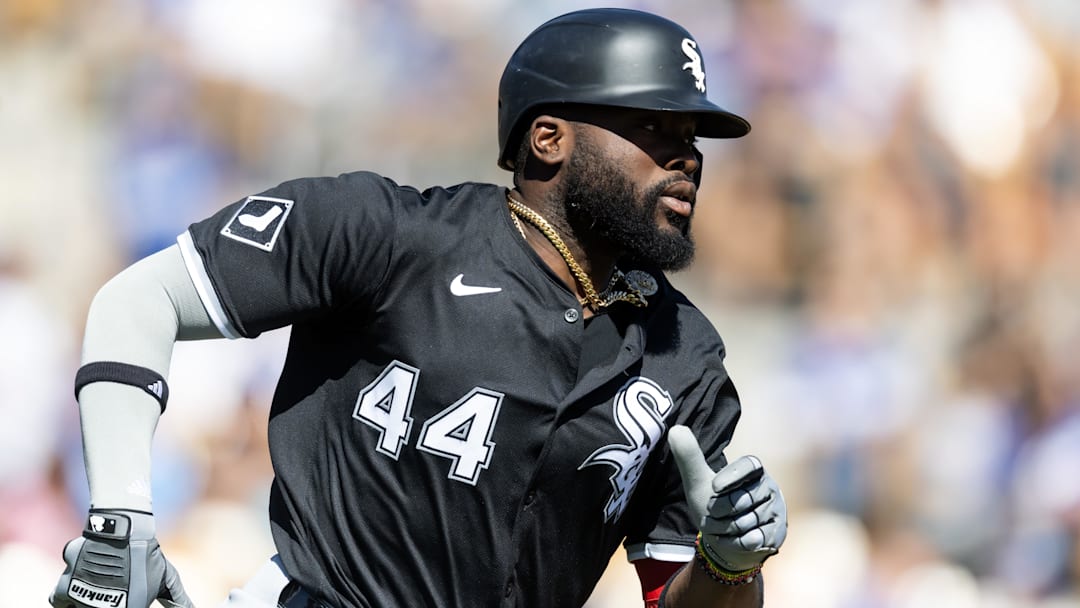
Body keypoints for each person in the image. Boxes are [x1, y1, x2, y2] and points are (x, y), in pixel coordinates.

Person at [50, 7, 787, 608]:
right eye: (653, 127)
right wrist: (122, 520)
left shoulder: (685, 351)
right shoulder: (387, 234)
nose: (685, 156)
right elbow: (137, 300)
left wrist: (728, 565)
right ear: (549, 138)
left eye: (691, 137)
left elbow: (676, 597)